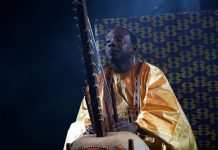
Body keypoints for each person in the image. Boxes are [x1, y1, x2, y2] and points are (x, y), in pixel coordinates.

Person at [63, 27, 198, 150]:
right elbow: (85, 116)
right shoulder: (98, 80)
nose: (111, 44)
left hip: (145, 138)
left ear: (134, 47)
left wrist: (136, 126)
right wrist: (90, 127)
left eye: (119, 40)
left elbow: (163, 111)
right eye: (108, 42)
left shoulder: (150, 73)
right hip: (108, 139)